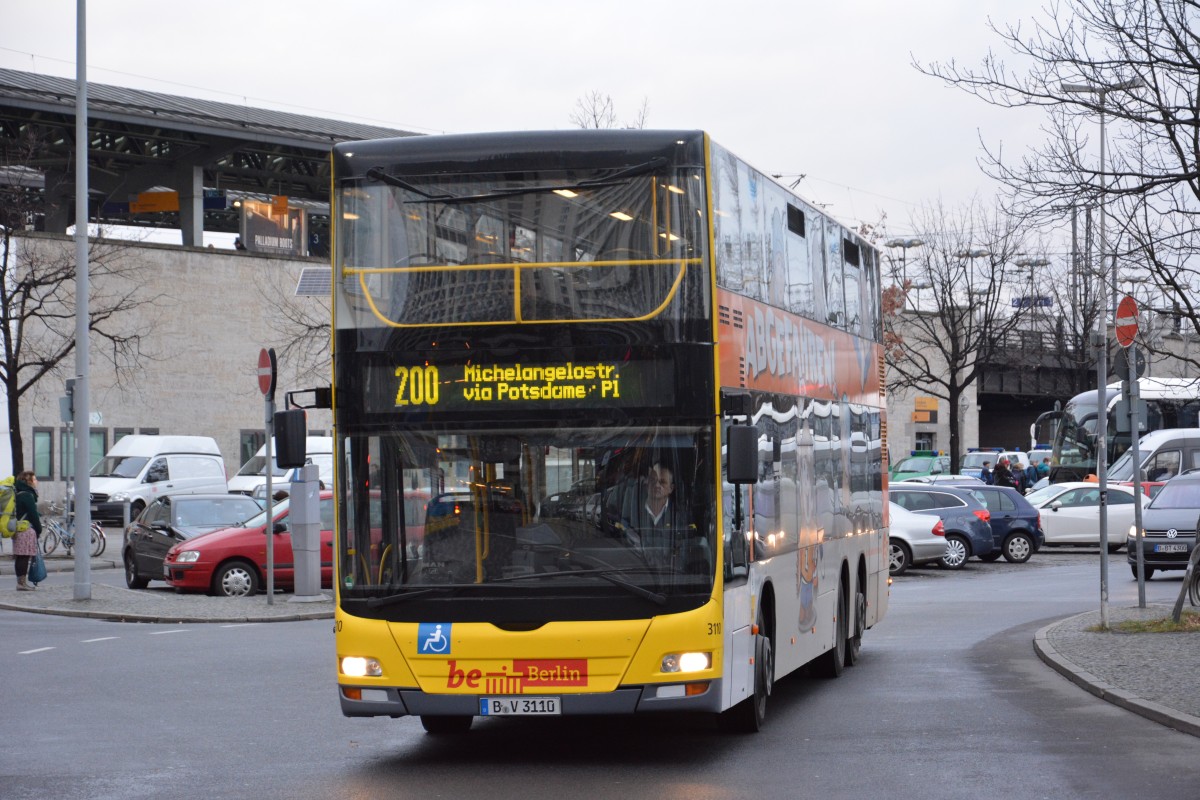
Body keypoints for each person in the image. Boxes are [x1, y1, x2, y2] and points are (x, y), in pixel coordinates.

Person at [11, 470, 42, 591]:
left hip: (17, 528)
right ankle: (21, 583)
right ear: (28, 481)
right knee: (24, 556)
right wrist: (38, 529)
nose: (36, 481)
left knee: (19, 556)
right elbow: (33, 515)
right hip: (26, 529)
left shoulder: (17, 492)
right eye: (34, 479)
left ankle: (20, 581)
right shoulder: (27, 495)